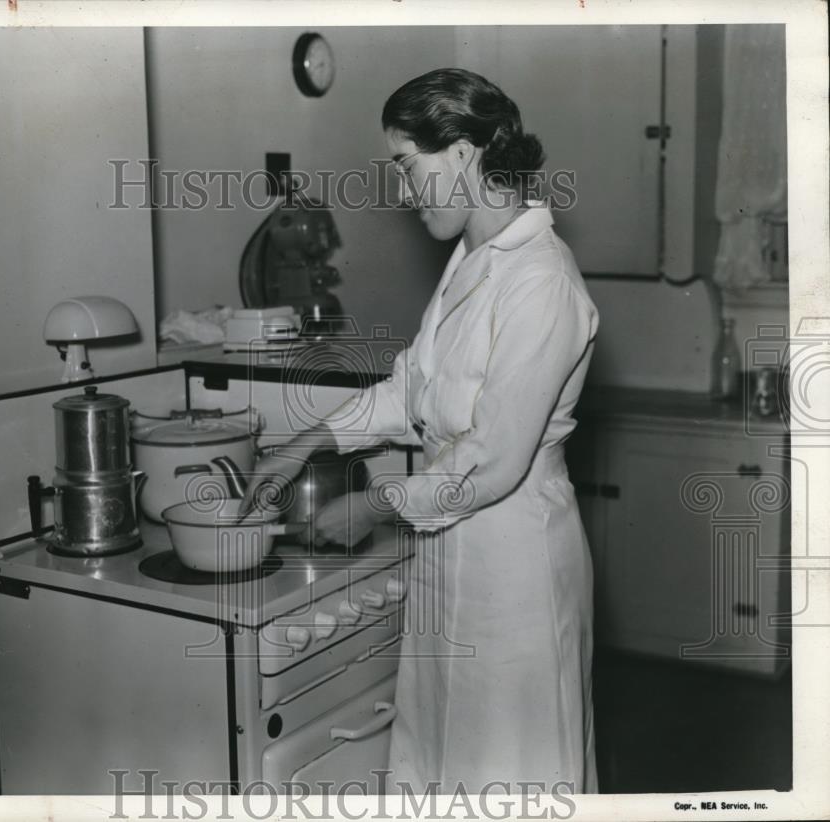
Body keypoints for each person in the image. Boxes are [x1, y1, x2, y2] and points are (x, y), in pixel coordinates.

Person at [241, 68, 599, 795]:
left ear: (464, 151)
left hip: (516, 561)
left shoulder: (542, 280)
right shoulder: (471, 258)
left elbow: (493, 459)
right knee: (442, 756)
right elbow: (412, 386)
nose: (402, 192)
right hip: (449, 544)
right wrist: (302, 445)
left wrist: (374, 505)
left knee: (512, 765)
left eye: (408, 166)